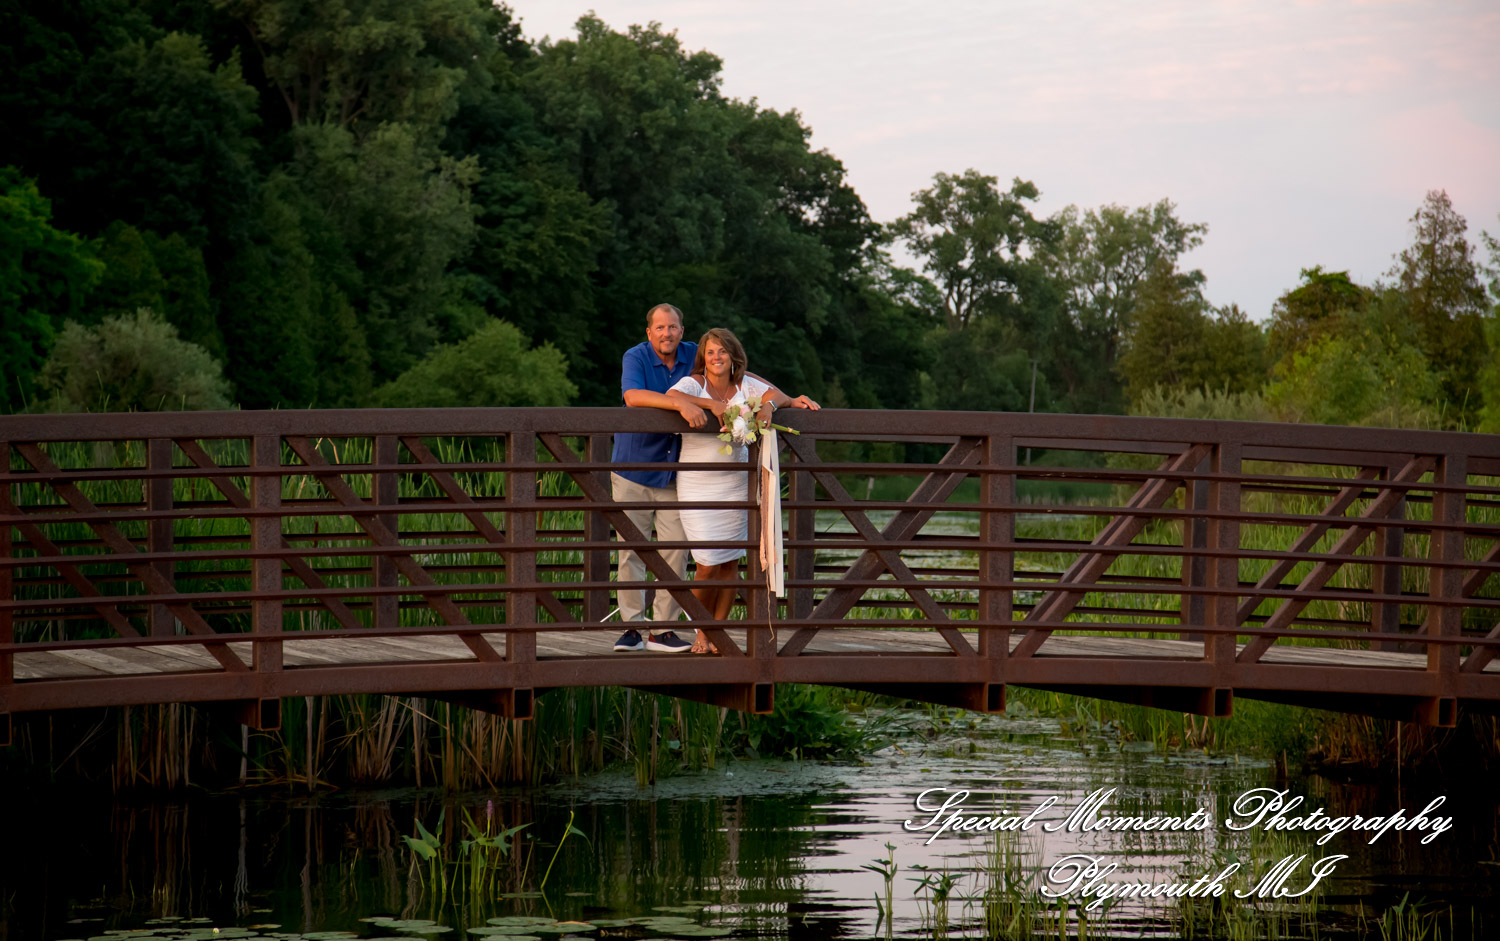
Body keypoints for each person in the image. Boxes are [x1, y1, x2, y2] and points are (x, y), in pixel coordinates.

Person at [661, 328, 819, 654]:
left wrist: (769, 408)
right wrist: (711, 406)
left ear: (733, 356)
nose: (716, 357)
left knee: (730, 564)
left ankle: (715, 633)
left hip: (736, 484)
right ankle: (701, 629)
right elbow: (671, 398)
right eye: (710, 352)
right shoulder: (693, 384)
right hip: (698, 484)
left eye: (722, 351)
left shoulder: (744, 385)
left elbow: (777, 395)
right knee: (706, 563)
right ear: (703, 359)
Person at [610, 303, 706, 653]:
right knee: (631, 551)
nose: (667, 334)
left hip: (674, 472)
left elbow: (737, 373)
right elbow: (633, 397)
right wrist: (680, 403)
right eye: (660, 328)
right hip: (633, 468)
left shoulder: (696, 354)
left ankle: (663, 631)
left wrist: (784, 398)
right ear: (649, 332)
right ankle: (632, 630)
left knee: (676, 552)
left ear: (683, 330)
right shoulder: (634, 357)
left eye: (674, 327)